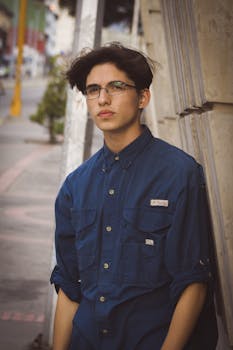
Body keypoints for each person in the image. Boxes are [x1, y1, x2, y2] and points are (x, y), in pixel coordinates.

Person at [50, 43, 218, 350]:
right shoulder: (75, 187)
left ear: (143, 97)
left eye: (116, 86)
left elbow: (193, 283)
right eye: (93, 90)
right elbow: (69, 288)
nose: (103, 98)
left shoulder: (180, 174)